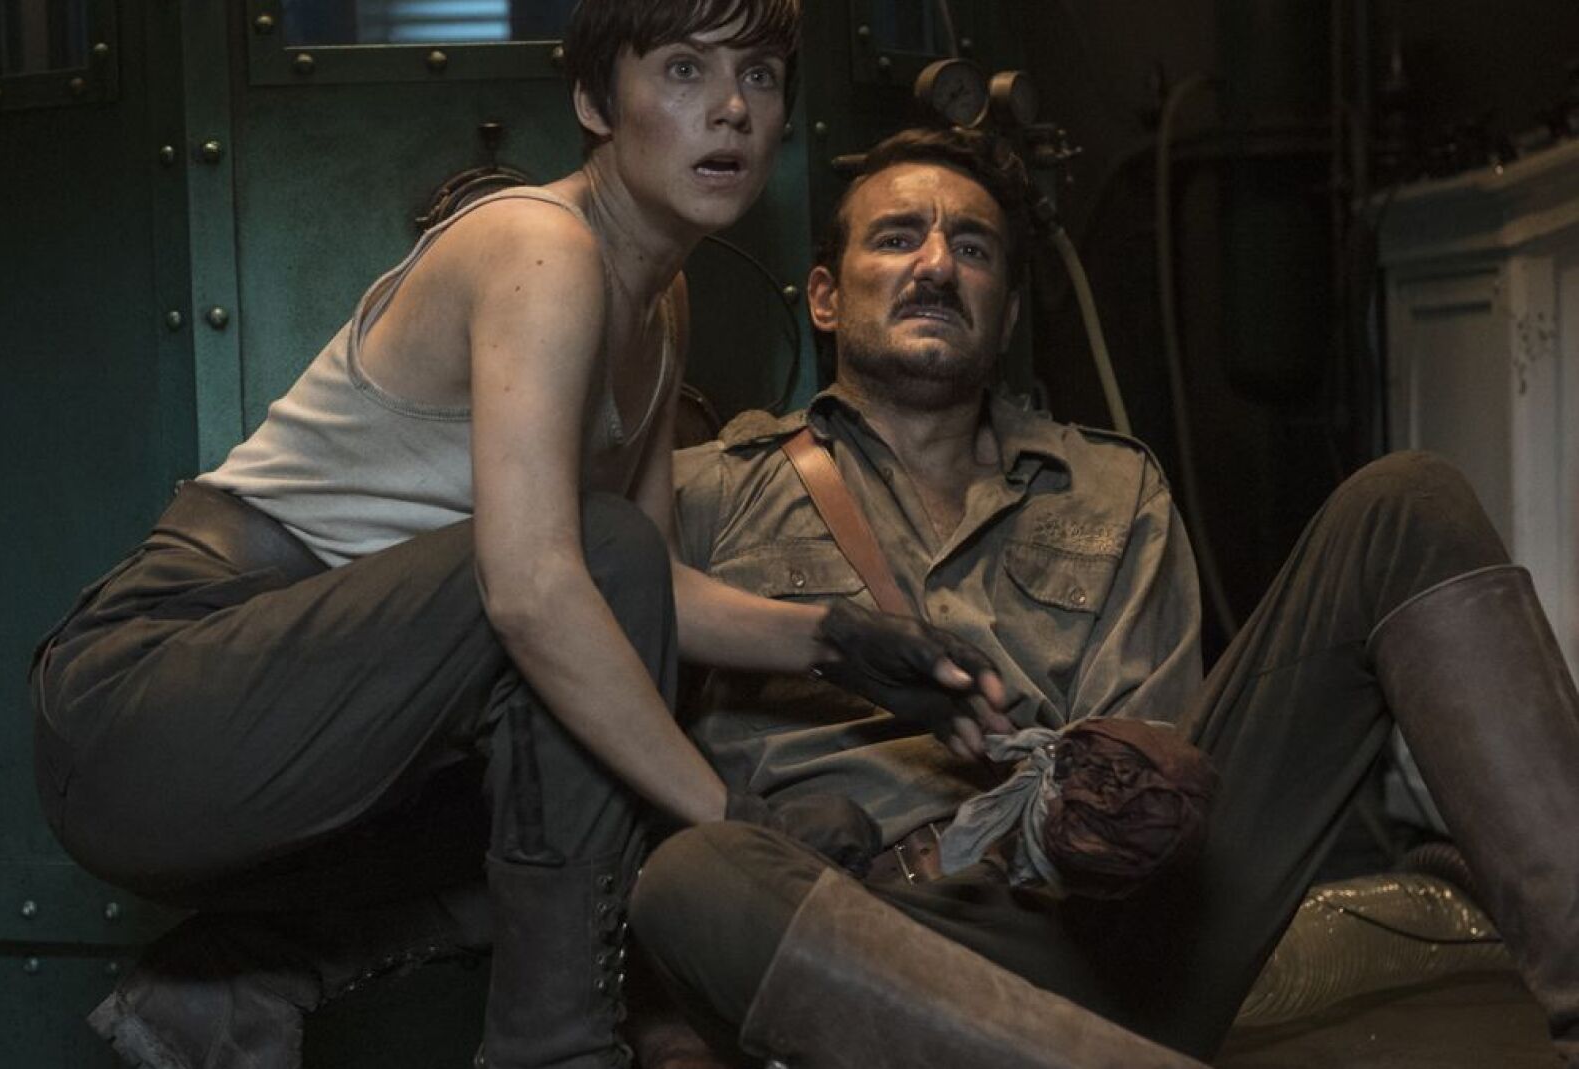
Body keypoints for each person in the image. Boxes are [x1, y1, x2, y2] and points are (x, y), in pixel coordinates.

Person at [28, 5, 995, 1069]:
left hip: (307, 738)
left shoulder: (659, 303)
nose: (731, 108)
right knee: (606, 636)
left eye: (759, 77)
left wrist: (841, 641)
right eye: (684, 71)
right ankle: (557, 1050)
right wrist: (727, 820)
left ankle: (235, 977)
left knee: (605, 763)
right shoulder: (540, 244)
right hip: (146, 707)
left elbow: (651, 592)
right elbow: (540, 585)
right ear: (594, 103)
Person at [629, 126, 1579, 1067]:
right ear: (826, 298)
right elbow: (595, 697)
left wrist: (1082, 806)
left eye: (973, 248)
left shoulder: (1113, 490)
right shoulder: (708, 492)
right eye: (896, 238)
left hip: (1093, 937)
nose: (937, 265)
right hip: (855, 947)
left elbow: (1154, 786)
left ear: (1006, 315)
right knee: (690, 876)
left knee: (1408, 503)